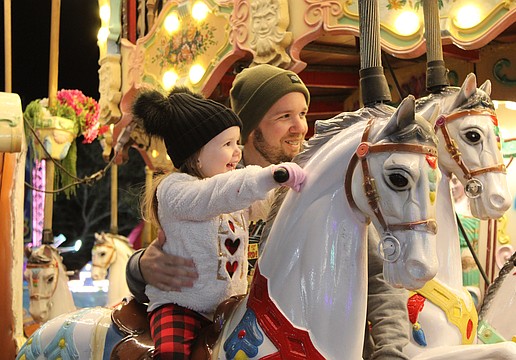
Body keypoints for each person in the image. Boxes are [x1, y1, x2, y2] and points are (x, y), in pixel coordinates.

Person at [126, 64, 410, 359]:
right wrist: (140, 267)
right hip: (233, 330)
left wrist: (389, 350)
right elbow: (176, 244)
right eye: (284, 116)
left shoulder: (322, 189)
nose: (300, 126)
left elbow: (380, 278)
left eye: (301, 114)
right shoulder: (207, 189)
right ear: (249, 129)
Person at [131, 86, 306, 358]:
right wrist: (269, 176)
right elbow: (215, 195)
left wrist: (298, 187)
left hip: (230, 306)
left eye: (237, 143)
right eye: (227, 145)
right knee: (171, 353)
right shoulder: (177, 190)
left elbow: (270, 203)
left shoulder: (233, 192)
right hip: (182, 306)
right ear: (196, 153)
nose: (237, 152)